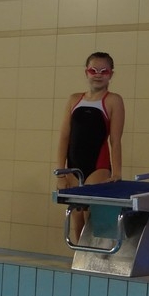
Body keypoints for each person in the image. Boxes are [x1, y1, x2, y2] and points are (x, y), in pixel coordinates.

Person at [56, 52, 125, 243]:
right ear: (86, 72)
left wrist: (117, 172)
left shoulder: (113, 100)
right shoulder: (74, 99)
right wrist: (60, 173)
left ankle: (98, 255)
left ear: (111, 74)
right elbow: (64, 137)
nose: (98, 75)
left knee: (91, 217)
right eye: (93, 70)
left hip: (98, 167)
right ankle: (80, 257)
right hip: (73, 168)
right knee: (77, 219)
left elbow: (115, 140)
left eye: (104, 71)